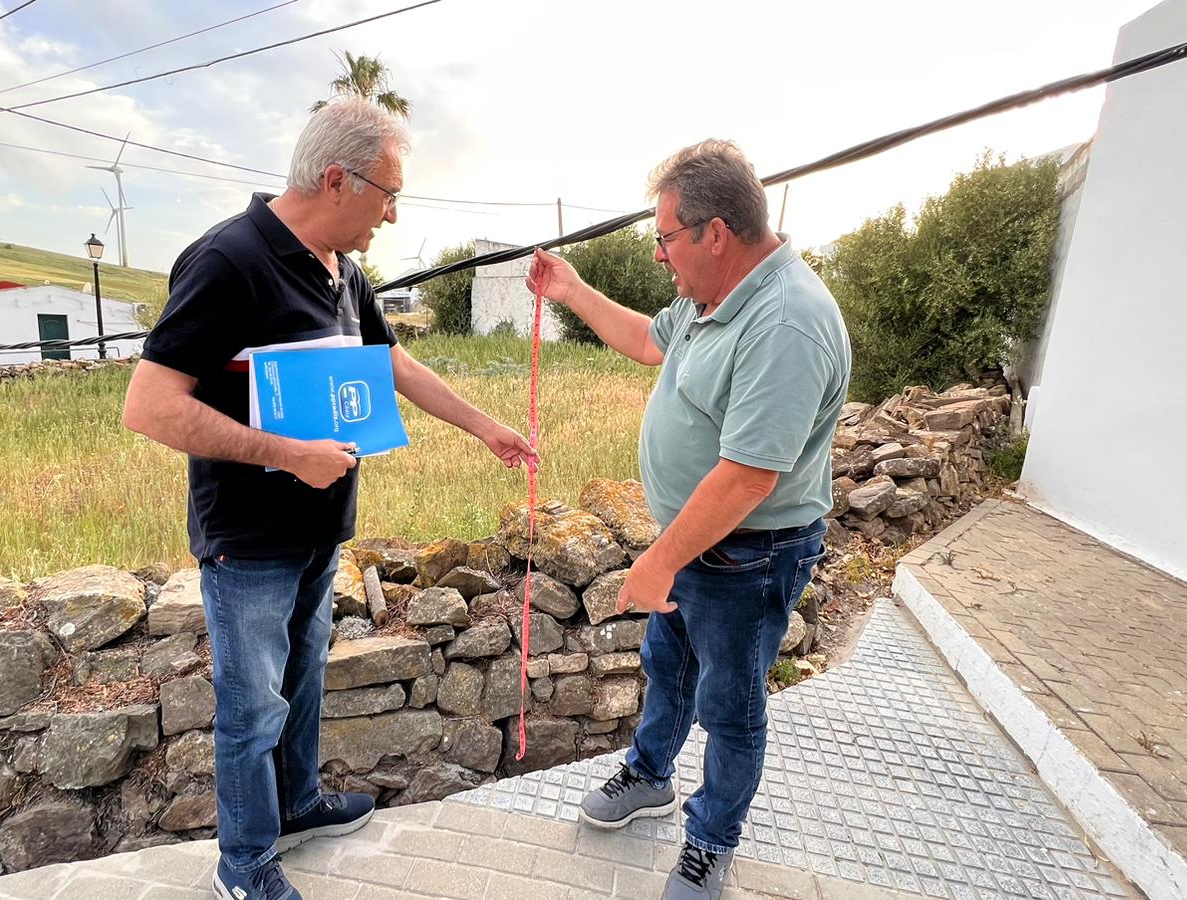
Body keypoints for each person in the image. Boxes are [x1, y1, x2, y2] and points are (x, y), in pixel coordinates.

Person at [121, 98, 534, 900]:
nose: (393, 211)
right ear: (337, 179)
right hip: (248, 542)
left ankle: (300, 805)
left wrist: (486, 428)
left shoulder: (342, 270)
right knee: (252, 711)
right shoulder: (227, 261)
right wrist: (285, 455)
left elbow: (394, 365)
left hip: (318, 532)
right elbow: (149, 405)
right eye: (388, 192)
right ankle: (243, 866)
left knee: (304, 679)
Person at [525, 139, 851, 900]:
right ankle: (650, 774)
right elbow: (646, 338)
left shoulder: (784, 323)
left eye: (666, 237)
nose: (661, 255)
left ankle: (711, 839)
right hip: (695, 547)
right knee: (668, 669)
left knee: (730, 706)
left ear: (715, 232)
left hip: (749, 555)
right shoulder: (713, 299)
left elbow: (747, 477)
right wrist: (571, 290)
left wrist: (659, 559)